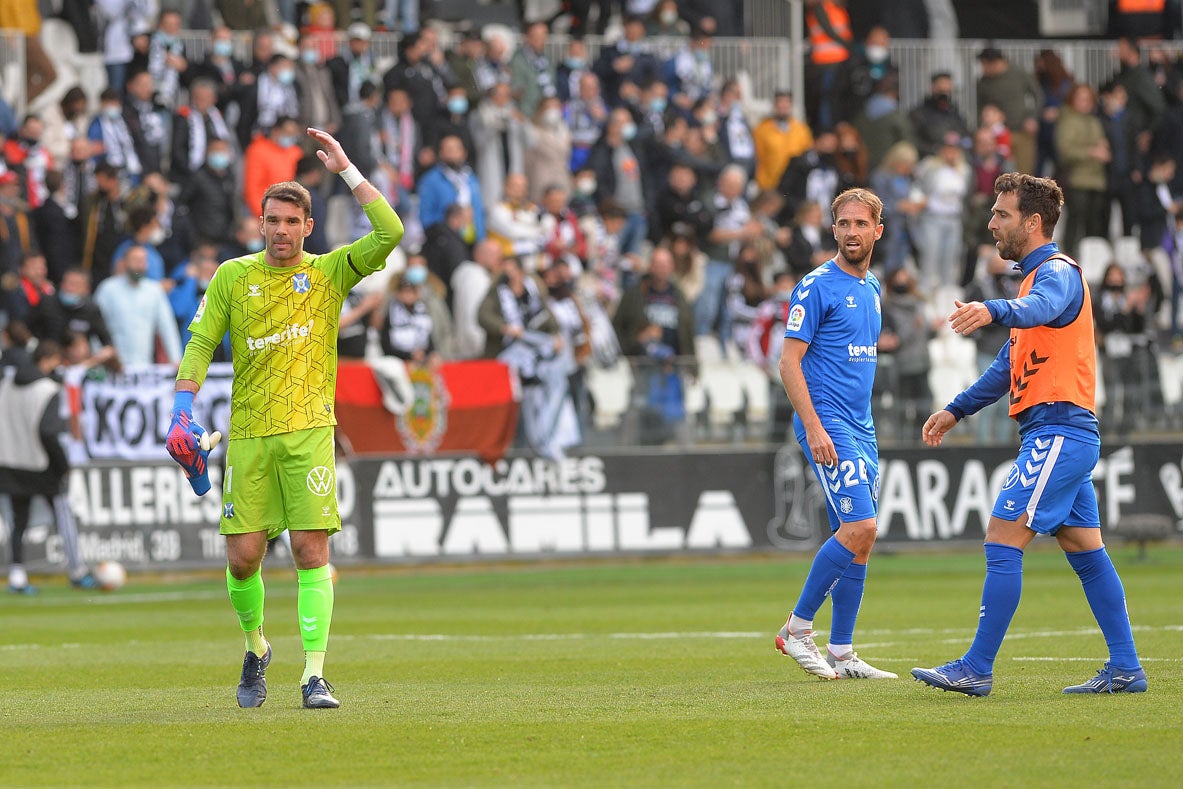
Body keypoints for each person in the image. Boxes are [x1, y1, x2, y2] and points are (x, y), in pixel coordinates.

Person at [165, 127, 405, 709]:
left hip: (308, 432)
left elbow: (391, 232)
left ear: (308, 228)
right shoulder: (232, 276)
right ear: (260, 222)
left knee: (310, 551)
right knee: (243, 556)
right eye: (272, 220)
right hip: (247, 433)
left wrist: (348, 169)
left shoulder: (329, 274)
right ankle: (256, 649)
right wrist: (181, 408)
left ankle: (314, 675)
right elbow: (200, 343)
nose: (280, 230)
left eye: (292, 222)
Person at [912, 173, 1146, 696]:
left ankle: (976, 668)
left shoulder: (1056, 274)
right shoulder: (1030, 285)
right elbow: (1007, 365)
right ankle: (1127, 668)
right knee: (1087, 552)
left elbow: (1038, 309)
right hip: (1062, 432)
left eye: (1002, 214)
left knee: (1002, 537)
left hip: (1060, 430)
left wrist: (991, 309)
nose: (993, 223)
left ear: (1033, 222)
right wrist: (955, 410)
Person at [773, 187, 897, 682]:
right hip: (828, 425)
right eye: (843, 224)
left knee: (859, 540)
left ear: (876, 231)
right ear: (833, 230)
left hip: (860, 427)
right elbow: (788, 362)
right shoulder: (815, 285)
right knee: (861, 528)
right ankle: (797, 630)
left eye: (860, 224)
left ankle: (842, 651)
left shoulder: (872, 288)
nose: (851, 232)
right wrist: (814, 426)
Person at [0, 338, 98, 593]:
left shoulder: (6, 384)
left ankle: (17, 576)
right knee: (63, 516)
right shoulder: (48, 389)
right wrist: (62, 465)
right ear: (48, 360)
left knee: (17, 523)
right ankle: (77, 570)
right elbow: (48, 433)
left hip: (10, 463)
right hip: (41, 465)